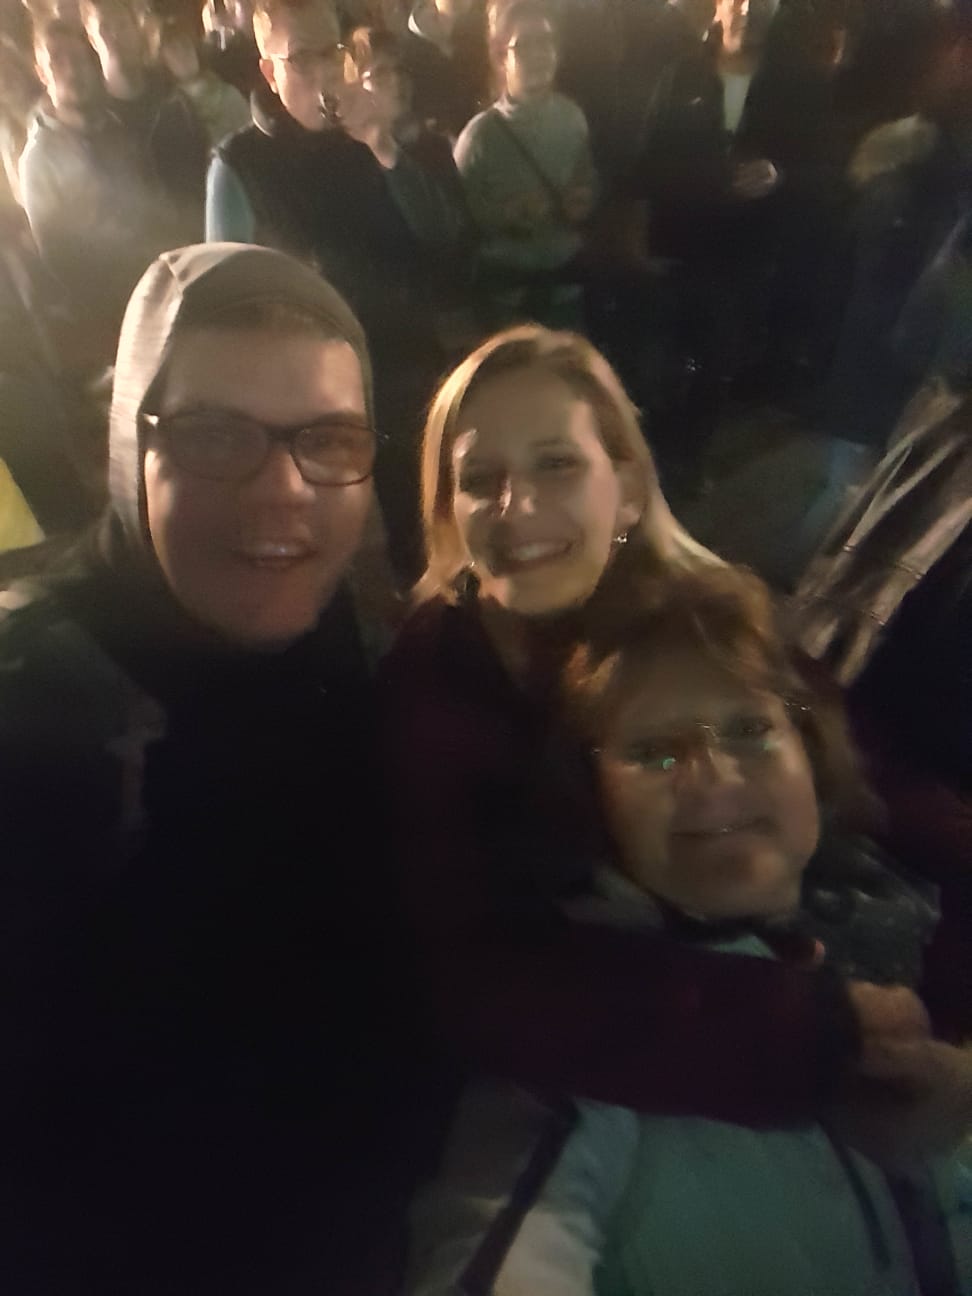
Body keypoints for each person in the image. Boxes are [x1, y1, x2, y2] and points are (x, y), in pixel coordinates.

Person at [379, 323, 932, 1148]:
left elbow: (878, 786)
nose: (518, 507)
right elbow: (480, 976)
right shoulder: (436, 697)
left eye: (556, 464)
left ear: (629, 486)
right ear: (449, 515)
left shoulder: (707, 616)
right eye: (481, 479)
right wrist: (816, 1032)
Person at [0, 242, 425, 1293]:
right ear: (126, 447)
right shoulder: (37, 705)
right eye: (214, 435)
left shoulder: (364, 646)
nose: (283, 489)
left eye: (328, 439)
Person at [408, 566, 970, 1296]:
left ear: (812, 752)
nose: (714, 776)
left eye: (749, 730)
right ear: (589, 800)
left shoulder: (885, 952)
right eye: (656, 752)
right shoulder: (576, 1068)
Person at [209, 0, 444, 582]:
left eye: (332, 54)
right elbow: (225, 304)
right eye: (301, 59)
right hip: (308, 384)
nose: (321, 73)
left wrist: (383, 145)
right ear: (269, 71)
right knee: (320, 541)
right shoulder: (240, 164)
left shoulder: (366, 134)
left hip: (398, 362)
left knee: (425, 518)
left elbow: (441, 234)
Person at [20, 18, 182, 347]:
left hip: (160, 290)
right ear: (42, 72)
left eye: (78, 58)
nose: (71, 70)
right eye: (57, 60)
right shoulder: (39, 159)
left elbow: (154, 204)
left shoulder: (117, 129)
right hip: (109, 316)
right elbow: (58, 256)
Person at [454, 0, 596, 328]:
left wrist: (583, 199)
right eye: (525, 45)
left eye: (545, 42)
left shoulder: (573, 118)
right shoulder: (479, 137)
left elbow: (588, 178)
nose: (538, 54)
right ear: (500, 56)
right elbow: (457, 227)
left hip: (566, 292)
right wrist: (511, 213)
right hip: (508, 302)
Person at [80, 0, 208, 222]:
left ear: (136, 28)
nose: (115, 35)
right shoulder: (93, 117)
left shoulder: (172, 92)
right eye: (105, 28)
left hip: (195, 224)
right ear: (92, 39)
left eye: (122, 24)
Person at [157, 11, 251, 144]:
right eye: (174, 50)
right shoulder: (174, 114)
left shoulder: (228, 92)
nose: (183, 53)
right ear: (165, 62)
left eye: (185, 44)